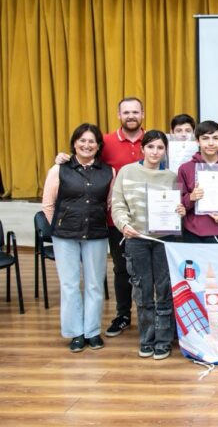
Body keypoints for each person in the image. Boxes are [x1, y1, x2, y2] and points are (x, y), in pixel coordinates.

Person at [111, 130, 186, 360]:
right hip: (136, 240)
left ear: (166, 151)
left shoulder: (172, 177)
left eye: (160, 148)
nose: (155, 152)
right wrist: (123, 225)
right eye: (151, 147)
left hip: (165, 241)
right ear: (142, 149)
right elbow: (117, 205)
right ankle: (147, 338)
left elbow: (178, 210)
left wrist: (181, 211)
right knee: (142, 293)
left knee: (164, 291)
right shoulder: (127, 172)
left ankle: (163, 341)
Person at [42, 123, 113, 352]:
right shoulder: (59, 169)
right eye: (82, 140)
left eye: (91, 141)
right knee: (70, 285)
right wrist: (61, 223)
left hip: (96, 234)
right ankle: (75, 333)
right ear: (74, 143)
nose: (86, 145)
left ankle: (92, 332)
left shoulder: (108, 171)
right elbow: (48, 204)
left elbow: (110, 203)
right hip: (65, 236)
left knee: (94, 285)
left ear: (98, 145)